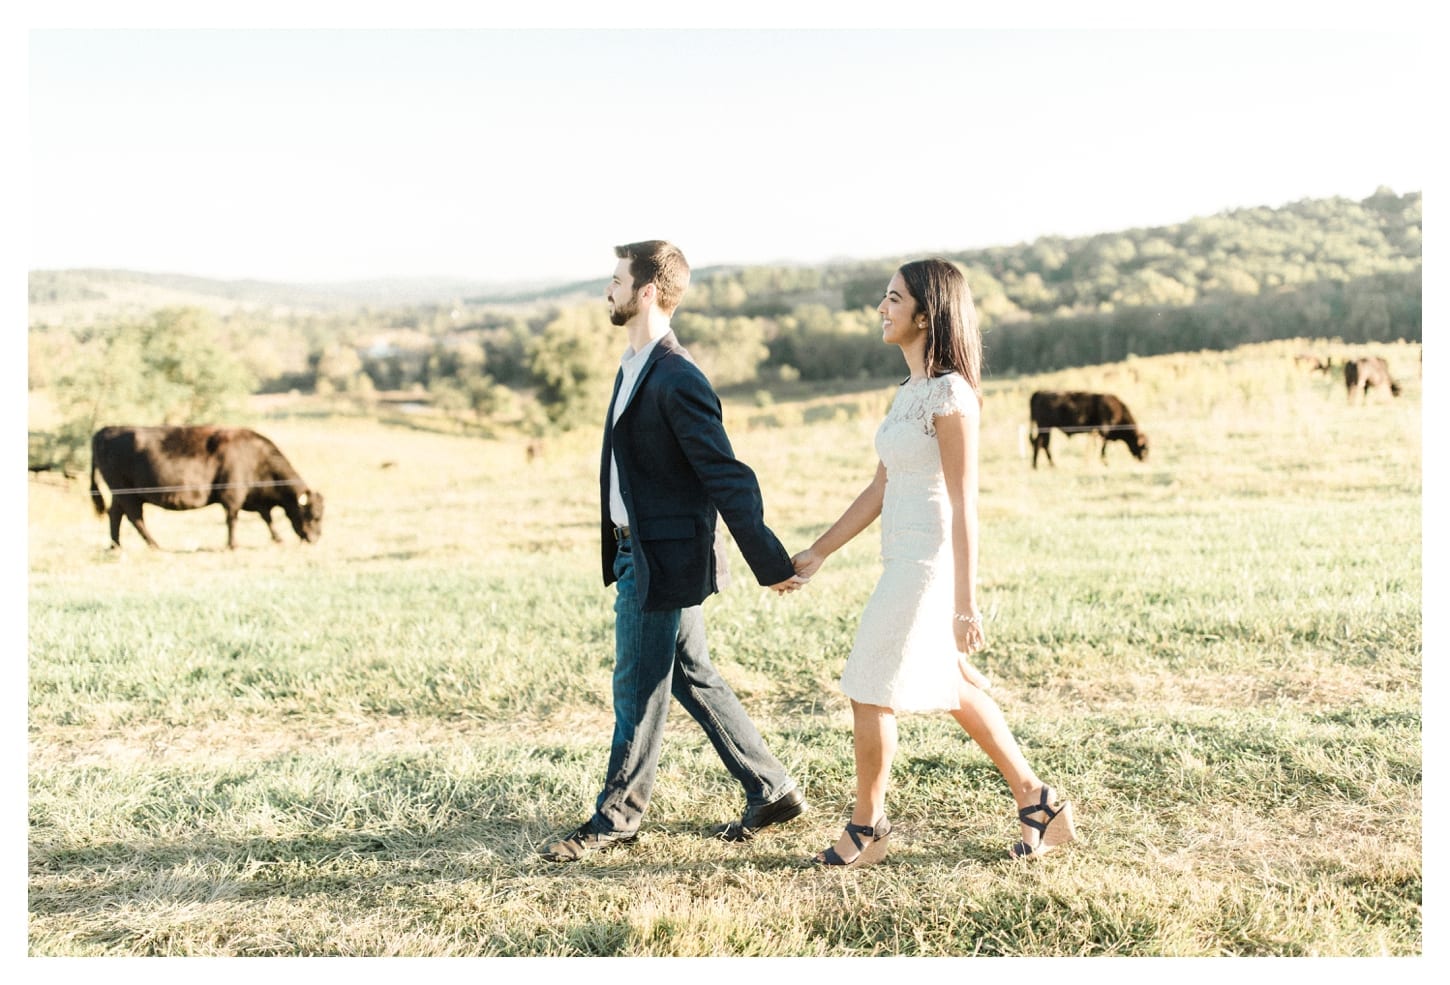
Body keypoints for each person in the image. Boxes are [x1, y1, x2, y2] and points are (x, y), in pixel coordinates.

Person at [790, 258, 1077, 868]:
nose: (882, 309)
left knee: (868, 683)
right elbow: (879, 488)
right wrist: (817, 552)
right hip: (900, 557)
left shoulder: (951, 394)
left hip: (927, 565)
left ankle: (867, 828)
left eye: (893, 299)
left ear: (926, 313)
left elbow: (964, 501)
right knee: (950, 688)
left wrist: (964, 603)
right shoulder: (909, 394)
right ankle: (1038, 801)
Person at [541, 240, 810, 862]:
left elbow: (726, 474)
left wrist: (769, 562)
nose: (606, 290)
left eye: (615, 280)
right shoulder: (632, 364)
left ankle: (615, 821)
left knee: (637, 685)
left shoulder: (678, 375)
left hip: (663, 559)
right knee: (690, 674)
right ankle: (771, 788)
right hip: (640, 550)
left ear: (645, 292)